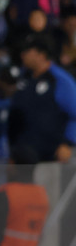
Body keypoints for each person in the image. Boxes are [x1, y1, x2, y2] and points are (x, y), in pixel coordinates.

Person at [9, 33, 76, 163]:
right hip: (20, 154)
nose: (23, 54)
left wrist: (68, 142)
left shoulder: (60, 80)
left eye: (28, 51)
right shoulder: (23, 77)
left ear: (41, 54)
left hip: (48, 157)